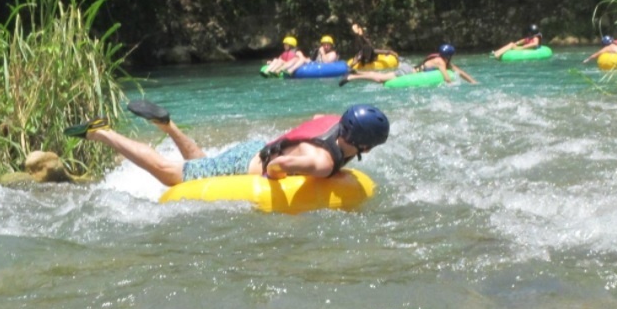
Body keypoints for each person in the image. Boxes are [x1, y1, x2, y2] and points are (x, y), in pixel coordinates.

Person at [64, 100, 390, 186]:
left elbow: (313, 119)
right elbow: (278, 166)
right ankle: (101, 131)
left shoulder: (331, 120)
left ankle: (168, 126)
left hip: (253, 146)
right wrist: (274, 186)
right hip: (246, 164)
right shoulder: (322, 164)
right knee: (168, 173)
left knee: (203, 164)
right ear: (367, 147)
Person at [339, 44, 477, 86]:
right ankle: (353, 77)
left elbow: (459, 71)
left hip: (409, 71)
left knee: (380, 78)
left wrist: (472, 81)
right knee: (379, 78)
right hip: (408, 72)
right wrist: (453, 84)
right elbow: (447, 78)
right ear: (449, 55)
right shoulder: (441, 61)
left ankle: (356, 74)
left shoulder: (441, 59)